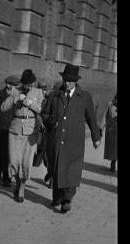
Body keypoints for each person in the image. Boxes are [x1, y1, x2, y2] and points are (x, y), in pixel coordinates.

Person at [41, 63, 102, 213]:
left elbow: (91, 118)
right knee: (56, 169)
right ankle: (57, 197)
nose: (67, 83)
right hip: (57, 138)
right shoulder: (55, 95)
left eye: (70, 80)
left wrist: (96, 137)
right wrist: (51, 122)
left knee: (71, 170)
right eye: (65, 79)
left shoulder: (84, 97)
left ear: (76, 81)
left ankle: (67, 199)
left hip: (74, 141)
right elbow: (45, 114)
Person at [1, 69, 44, 203]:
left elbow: (42, 110)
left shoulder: (38, 92)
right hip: (15, 130)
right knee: (14, 161)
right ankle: (18, 182)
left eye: (31, 84)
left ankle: (21, 188)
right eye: (27, 85)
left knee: (26, 162)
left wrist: (31, 104)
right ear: (23, 84)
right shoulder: (15, 91)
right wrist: (15, 99)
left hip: (31, 131)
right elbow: (3, 108)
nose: (29, 87)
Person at [32, 80, 53, 187]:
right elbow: (36, 114)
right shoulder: (35, 99)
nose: (43, 91)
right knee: (42, 156)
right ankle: (50, 173)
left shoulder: (50, 99)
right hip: (39, 132)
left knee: (48, 156)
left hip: (48, 133)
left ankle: (51, 176)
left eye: (44, 89)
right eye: (41, 89)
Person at [101, 93, 117, 172]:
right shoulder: (110, 104)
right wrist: (101, 128)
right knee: (113, 150)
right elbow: (104, 116)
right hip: (111, 131)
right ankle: (113, 163)